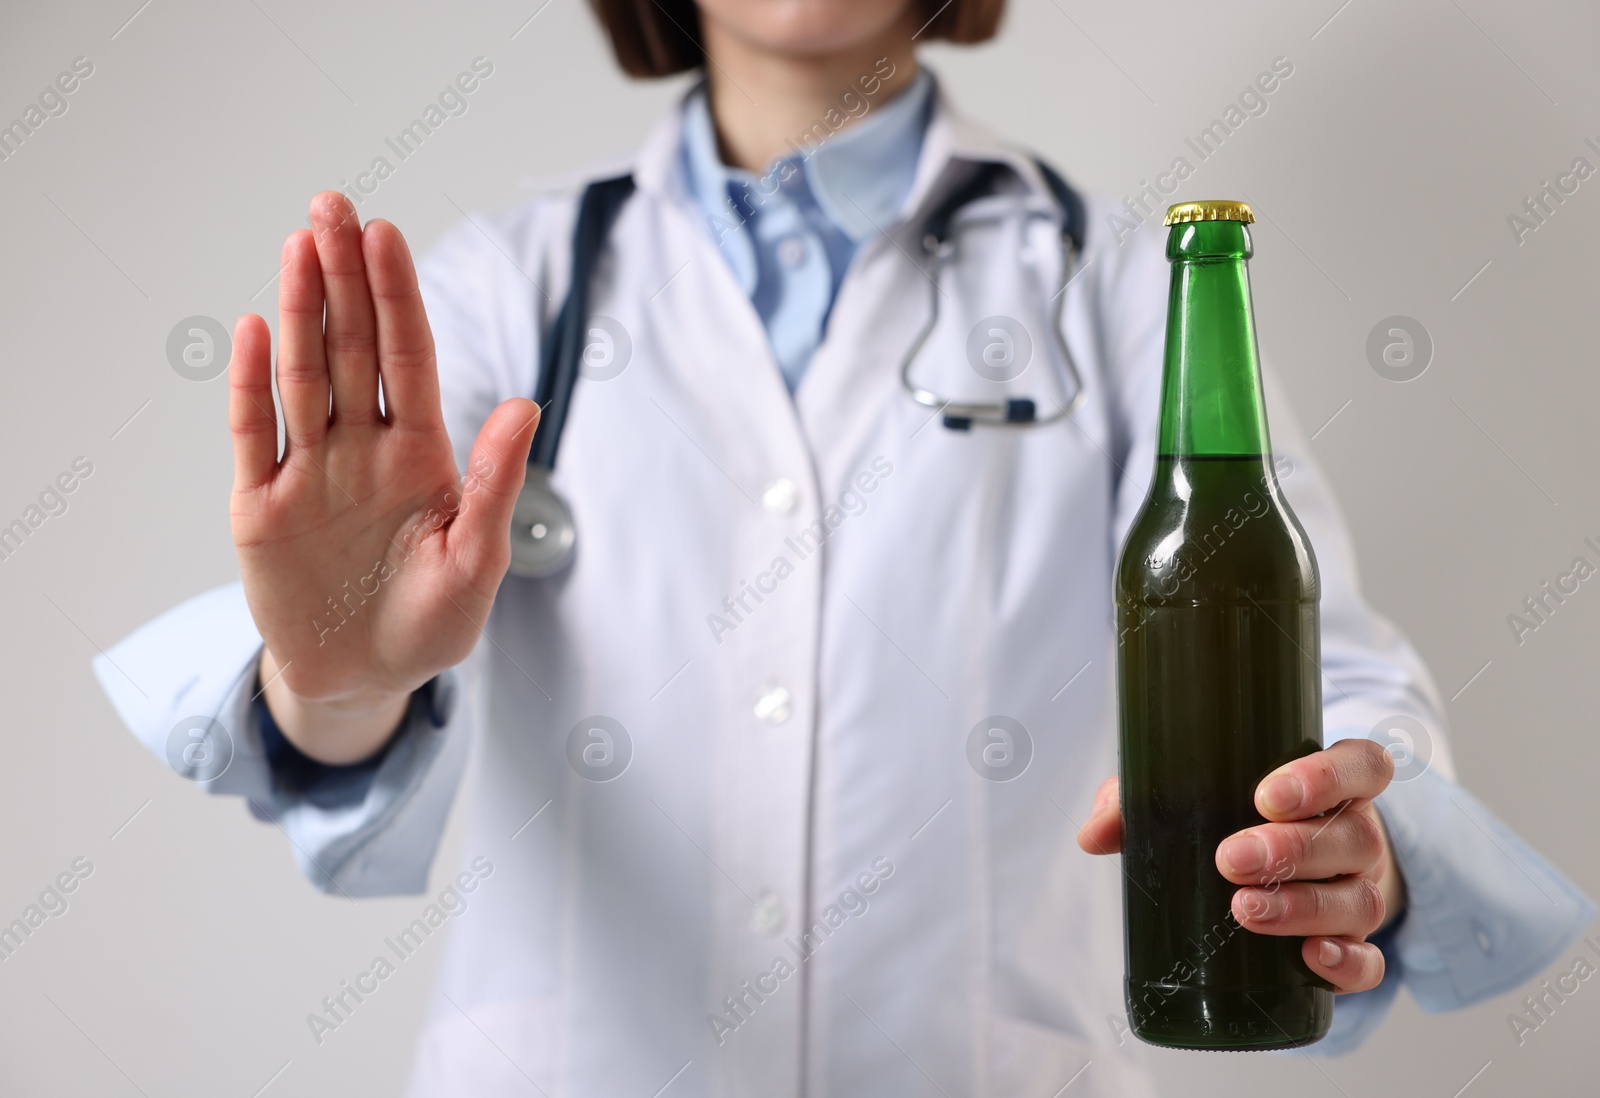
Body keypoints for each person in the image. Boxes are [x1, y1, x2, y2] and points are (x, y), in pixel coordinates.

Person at [93, 1, 1593, 1094]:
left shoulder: (1123, 287)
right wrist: (338, 660)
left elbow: (1326, 679)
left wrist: (1355, 839)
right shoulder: (509, 290)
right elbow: (336, 709)